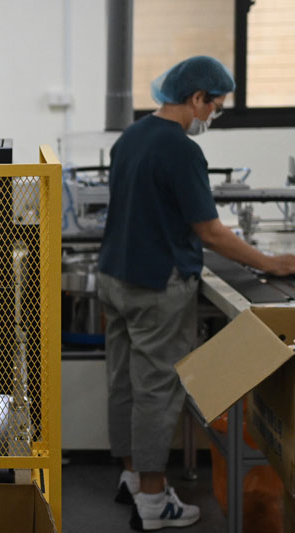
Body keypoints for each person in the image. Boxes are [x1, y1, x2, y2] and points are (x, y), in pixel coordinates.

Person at [97, 55, 295, 531]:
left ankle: (132, 476)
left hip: (115, 277)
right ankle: (152, 500)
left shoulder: (130, 137)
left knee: (124, 384)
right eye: (215, 106)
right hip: (156, 287)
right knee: (156, 392)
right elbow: (210, 232)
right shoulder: (181, 150)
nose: (213, 116)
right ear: (197, 97)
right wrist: (272, 263)